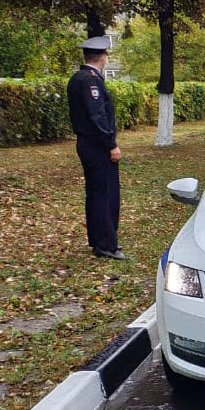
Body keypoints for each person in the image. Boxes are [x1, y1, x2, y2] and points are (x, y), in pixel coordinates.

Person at [68, 36, 125, 260]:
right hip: (97, 146)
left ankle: (98, 240)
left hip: (87, 144)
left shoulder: (78, 78)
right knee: (105, 194)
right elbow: (97, 116)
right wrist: (111, 145)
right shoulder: (90, 81)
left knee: (95, 193)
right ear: (103, 57)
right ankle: (107, 245)